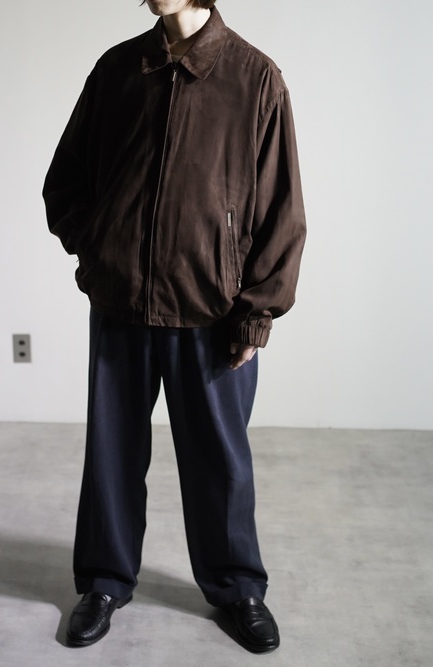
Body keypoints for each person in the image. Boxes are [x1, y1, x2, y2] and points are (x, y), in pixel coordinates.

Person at [43, 0, 305, 654]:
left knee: (221, 460)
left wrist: (258, 312)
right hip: (122, 304)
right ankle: (103, 581)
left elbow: (282, 209)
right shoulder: (117, 71)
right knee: (111, 453)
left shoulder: (255, 78)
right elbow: (65, 181)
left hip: (211, 312)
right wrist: (98, 249)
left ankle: (237, 587)